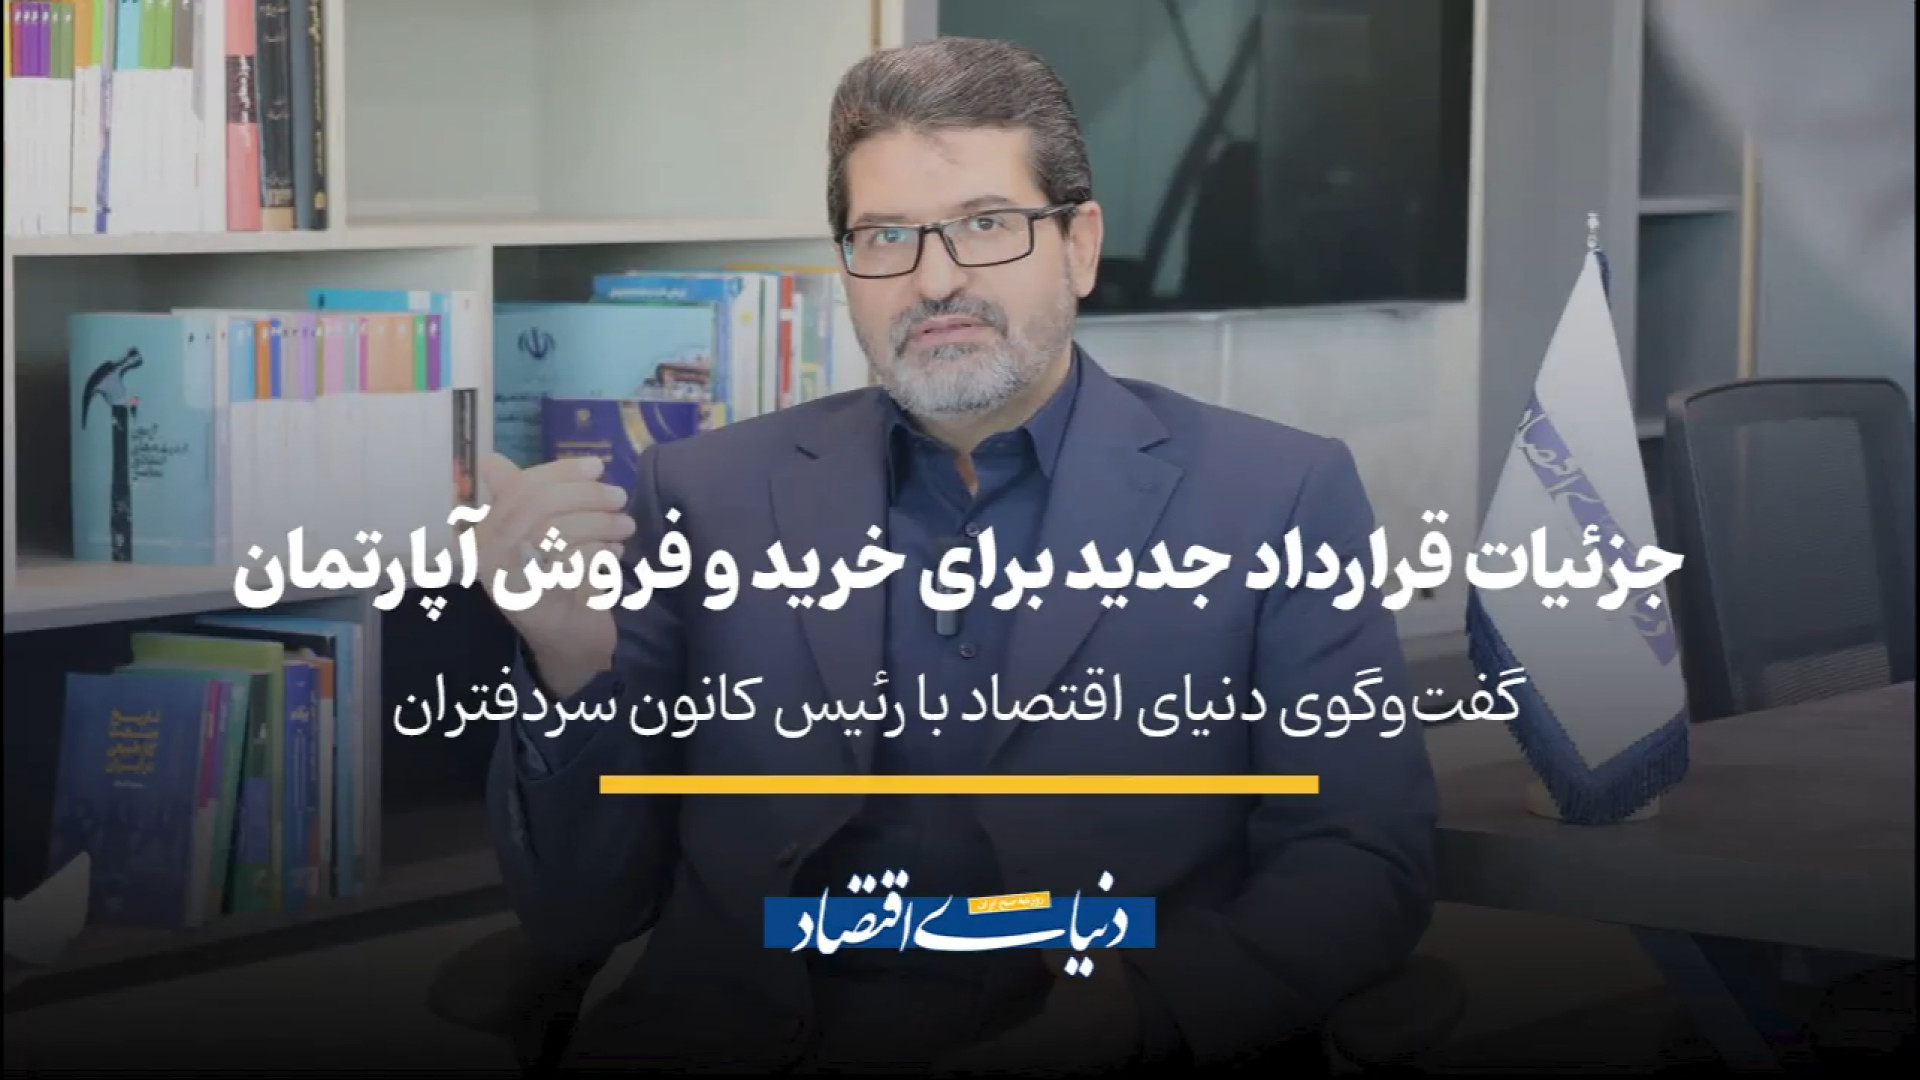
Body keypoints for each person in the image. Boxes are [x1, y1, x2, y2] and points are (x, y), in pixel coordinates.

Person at [474, 37, 1438, 1075]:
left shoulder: (1273, 496)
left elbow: (1361, 858)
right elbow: (579, 914)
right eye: (885, 235)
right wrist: (568, 667)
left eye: (986, 224)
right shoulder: (702, 495)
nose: (934, 280)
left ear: (1078, 245)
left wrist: (1139, 1016)